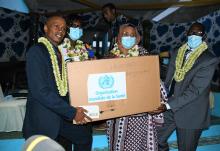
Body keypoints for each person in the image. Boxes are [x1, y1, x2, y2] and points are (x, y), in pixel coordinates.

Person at [22, 15, 93, 151]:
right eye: (56, 26)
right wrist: (72, 112)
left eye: (63, 28)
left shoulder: (59, 52)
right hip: (44, 118)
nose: (60, 30)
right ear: (46, 28)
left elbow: (63, 87)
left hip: (61, 114)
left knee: (84, 136)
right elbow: (40, 91)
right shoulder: (37, 51)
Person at [152, 22, 219, 151]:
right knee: (155, 140)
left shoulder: (208, 59)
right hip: (170, 106)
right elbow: (168, 78)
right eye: (192, 33)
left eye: (198, 34)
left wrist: (166, 106)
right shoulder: (178, 52)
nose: (194, 36)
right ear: (186, 34)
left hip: (191, 113)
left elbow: (194, 90)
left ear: (204, 36)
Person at [106, 24, 168, 151]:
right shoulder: (110, 57)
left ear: (137, 38)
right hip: (115, 117)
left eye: (132, 35)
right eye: (125, 34)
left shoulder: (145, 57)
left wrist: (158, 102)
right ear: (118, 37)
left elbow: (156, 83)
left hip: (138, 118)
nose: (128, 38)